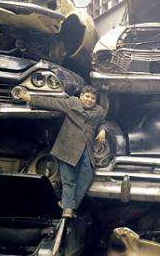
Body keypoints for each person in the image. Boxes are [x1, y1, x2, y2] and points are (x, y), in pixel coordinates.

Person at [19, 85, 106, 218]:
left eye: (93, 98)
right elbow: (51, 102)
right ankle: (68, 209)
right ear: (81, 96)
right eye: (87, 96)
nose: (90, 100)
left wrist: (102, 130)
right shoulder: (71, 103)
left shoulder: (99, 111)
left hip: (86, 147)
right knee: (69, 179)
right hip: (68, 146)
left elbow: (102, 122)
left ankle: (68, 204)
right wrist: (29, 97)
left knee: (87, 176)